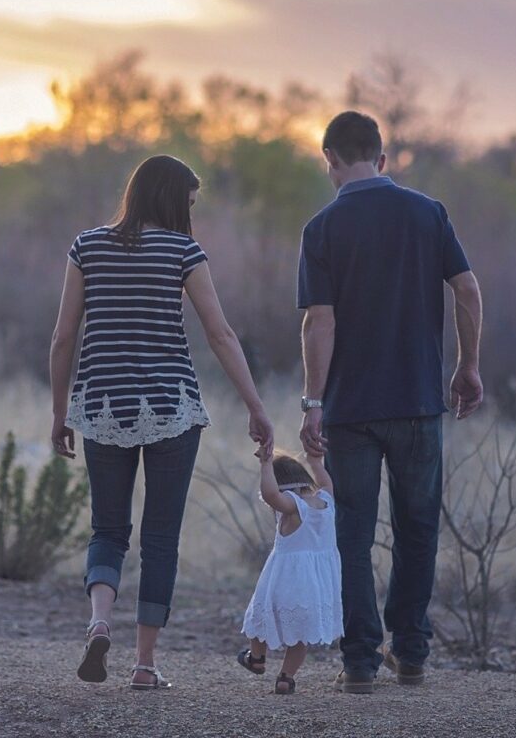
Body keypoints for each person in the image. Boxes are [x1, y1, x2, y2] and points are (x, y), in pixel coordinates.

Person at [50, 154, 274, 690]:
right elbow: (220, 335)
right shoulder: (183, 251)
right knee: (161, 538)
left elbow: (62, 338)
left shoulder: (86, 246)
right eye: (189, 203)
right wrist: (255, 406)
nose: (190, 214)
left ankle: (100, 620)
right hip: (172, 408)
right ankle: (145, 664)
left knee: (107, 529)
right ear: (172, 200)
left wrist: (61, 413)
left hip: (102, 406)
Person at [297, 111, 484, 694]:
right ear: (382, 158)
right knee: (418, 527)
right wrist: (468, 365)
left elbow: (318, 323)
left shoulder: (322, 228)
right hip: (419, 401)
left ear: (329, 159)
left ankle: (358, 662)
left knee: (352, 533)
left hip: (351, 409)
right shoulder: (428, 214)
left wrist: (312, 401)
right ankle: (411, 651)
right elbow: (468, 289)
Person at [238, 450, 343, 694]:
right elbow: (326, 481)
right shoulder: (326, 501)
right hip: (317, 584)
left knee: (260, 616)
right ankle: (286, 677)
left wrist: (265, 465)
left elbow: (271, 494)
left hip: (285, 580)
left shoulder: (293, 507)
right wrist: (316, 462)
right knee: (301, 634)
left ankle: (257, 658)